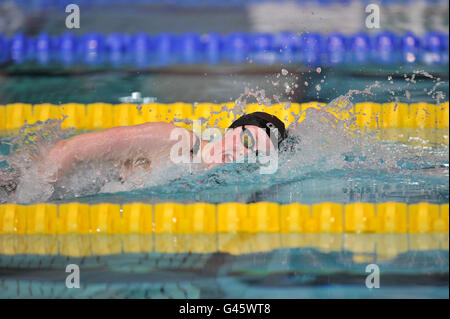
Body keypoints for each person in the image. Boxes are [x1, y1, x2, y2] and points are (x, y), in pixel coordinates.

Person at [38, 111, 288, 184]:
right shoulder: (173, 140)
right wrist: (34, 192)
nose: (244, 154)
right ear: (233, 129)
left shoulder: (202, 176)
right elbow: (67, 150)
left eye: (256, 155)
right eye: (247, 141)